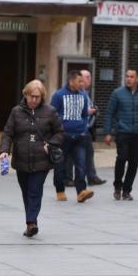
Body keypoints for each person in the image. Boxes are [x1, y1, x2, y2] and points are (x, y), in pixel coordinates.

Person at [0, 80, 64, 237]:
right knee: (26, 190)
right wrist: (4, 150)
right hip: (21, 159)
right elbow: (8, 133)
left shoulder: (50, 111)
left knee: (35, 190)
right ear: (25, 95)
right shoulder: (16, 112)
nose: (34, 100)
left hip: (41, 159)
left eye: (38, 97)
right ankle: (31, 220)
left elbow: (60, 132)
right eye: (32, 96)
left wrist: (50, 143)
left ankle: (31, 222)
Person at [102, 68, 138, 201]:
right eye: (127, 76)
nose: (128, 79)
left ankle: (127, 190)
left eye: (132, 77)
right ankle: (117, 186)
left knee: (134, 163)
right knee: (122, 157)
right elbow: (109, 113)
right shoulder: (117, 93)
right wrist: (108, 132)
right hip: (122, 132)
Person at [51, 70, 94, 203]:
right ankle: (60, 190)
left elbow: (85, 114)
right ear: (71, 81)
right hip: (63, 136)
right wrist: (59, 129)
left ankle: (81, 191)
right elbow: (52, 114)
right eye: (79, 81)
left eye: (83, 81)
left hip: (80, 136)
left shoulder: (83, 94)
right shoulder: (59, 95)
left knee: (81, 164)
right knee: (60, 165)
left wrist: (83, 129)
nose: (82, 84)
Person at [62, 69, 106, 186]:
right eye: (85, 78)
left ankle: (90, 176)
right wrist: (88, 111)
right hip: (72, 130)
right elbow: (69, 111)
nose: (87, 80)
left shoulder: (84, 93)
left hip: (85, 129)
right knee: (71, 156)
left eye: (89, 77)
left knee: (88, 153)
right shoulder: (67, 94)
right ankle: (68, 178)